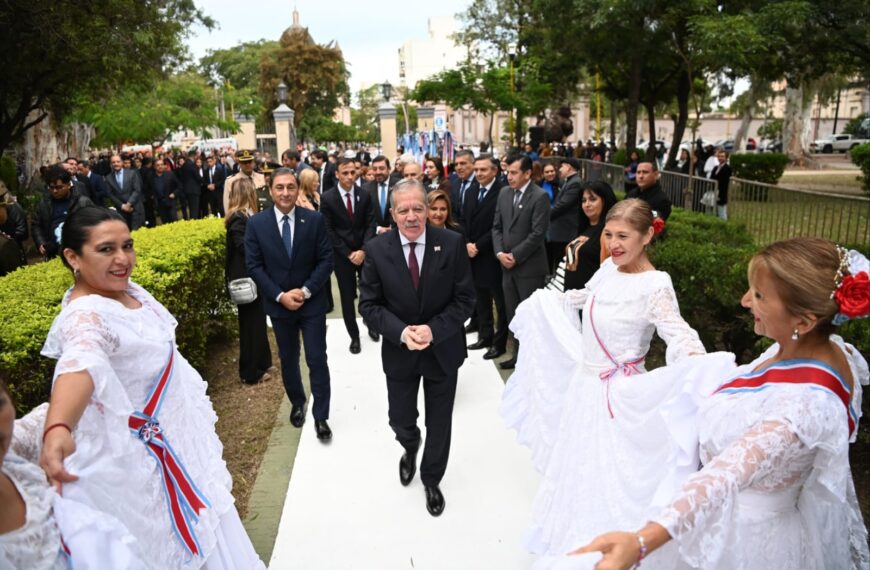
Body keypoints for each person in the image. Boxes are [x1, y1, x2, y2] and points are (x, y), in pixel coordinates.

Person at [575, 238, 870, 570]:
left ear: (804, 321)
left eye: (759, 295)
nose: (745, 301)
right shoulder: (807, 347)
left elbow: (724, 475)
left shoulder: (807, 406)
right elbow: (743, 387)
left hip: (748, 543)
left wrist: (642, 541)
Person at [501, 198, 734, 567]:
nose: (614, 243)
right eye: (609, 234)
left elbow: (677, 332)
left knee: (617, 474)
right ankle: (577, 540)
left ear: (647, 237)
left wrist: (696, 364)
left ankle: (618, 547)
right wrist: (550, 303)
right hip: (584, 388)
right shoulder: (609, 267)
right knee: (580, 468)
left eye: (624, 235)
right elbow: (591, 298)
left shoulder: (656, 284)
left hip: (620, 396)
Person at [36, 207, 265, 569]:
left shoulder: (128, 291)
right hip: (148, 467)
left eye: (127, 245)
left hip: (181, 445)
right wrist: (59, 426)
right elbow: (81, 362)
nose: (123, 259)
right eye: (106, 249)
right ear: (72, 257)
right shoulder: (84, 317)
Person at [358, 179, 476, 517]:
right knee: (401, 419)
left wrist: (432, 330)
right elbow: (369, 305)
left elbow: (465, 300)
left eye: (418, 208)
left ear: (428, 210)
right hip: (399, 353)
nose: (412, 216)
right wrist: (401, 332)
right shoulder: (377, 250)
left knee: (440, 422)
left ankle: (431, 478)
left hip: (442, 350)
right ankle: (410, 446)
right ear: (393, 214)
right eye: (404, 210)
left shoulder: (451, 244)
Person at [245, 168, 335, 441]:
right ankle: (297, 402)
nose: (285, 193)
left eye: (291, 187)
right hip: (279, 305)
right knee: (289, 358)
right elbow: (254, 266)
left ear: (298, 189)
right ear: (270, 190)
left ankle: (321, 416)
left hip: (312, 303)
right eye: (280, 188)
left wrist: (306, 291)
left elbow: (326, 260)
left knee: (317, 358)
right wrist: (280, 296)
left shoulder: (315, 219)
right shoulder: (256, 224)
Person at [492, 154, 551, 370]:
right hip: (506, 266)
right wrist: (500, 254)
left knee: (530, 316)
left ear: (527, 174)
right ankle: (517, 355)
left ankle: (533, 360)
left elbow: (537, 234)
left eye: (514, 172)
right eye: (508, 172)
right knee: (513, 313)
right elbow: (496, 227)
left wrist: (515, 256)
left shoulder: (540, 196)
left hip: (529, 268)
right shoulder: (504, 194)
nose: (509, 176)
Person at [320, 157, 377, 353]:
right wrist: (348, 253)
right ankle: (354, 336)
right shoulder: (327, 198)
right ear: (337, 174)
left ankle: (371, 324)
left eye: (353, 172)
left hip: (364, 253)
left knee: (369, 292)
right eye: (345, 173)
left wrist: (363, 250)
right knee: (346, 297)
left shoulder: (365, 194)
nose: (349, 176)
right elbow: (328, 230)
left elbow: (371, 223)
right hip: (342, 257)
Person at [225, 179, 274, 385]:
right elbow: (244, 247)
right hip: (246, 280)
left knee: (258, 322)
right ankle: (250, 372)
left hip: (253, 277)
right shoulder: (238, 218)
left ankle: (263, 362)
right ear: (248, 193)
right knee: (250, 325)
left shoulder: (246, 216)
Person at [462, 154, 508, 360]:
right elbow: (464, 220)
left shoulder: (502, 193)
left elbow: (498, 227)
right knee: (480, 298)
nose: (479, 173)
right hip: (472, 254)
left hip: (491, 254)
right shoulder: (471, 191)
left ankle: (499, 343)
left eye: (484, 170)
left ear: (495, 171)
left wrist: (477, 246)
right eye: (477, 169)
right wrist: (466, 243)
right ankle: (485, 335)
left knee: (499, 302)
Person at [561, 180, 619, 291]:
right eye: (584, 200)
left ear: (605, 201)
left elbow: (610, 270)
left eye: (592, 199)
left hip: (591, 298)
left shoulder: (608, 232)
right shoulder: (584, 228)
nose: (587, 204)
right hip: (570, 297)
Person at [34, 164, 95, 260]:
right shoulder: (44, 204)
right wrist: (41, 242)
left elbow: (94, 225)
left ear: (68, 185)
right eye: (51, 187)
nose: (55, 191)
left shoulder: (82, 202)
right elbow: (37, 225)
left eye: (59, 187)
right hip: (53, 254)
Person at [548, 158, 582, 276]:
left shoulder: (575, 183)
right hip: (560, 231)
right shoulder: (569, 181)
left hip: (565, 232)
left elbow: (563, 205)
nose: (560, 170)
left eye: (561, 167)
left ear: (568, 167)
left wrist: (545, 215)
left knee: (561, 266)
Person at [104, 154, 145, 229]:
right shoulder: (108, 178)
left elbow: (137, 190)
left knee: (137, 233)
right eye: (113, 162)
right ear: (111, 164)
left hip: (135, 208)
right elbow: (110, 194)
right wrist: (122, 206)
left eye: (118, 161)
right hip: (121, 211)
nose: (116, 164)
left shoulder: (132, 173)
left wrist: (128, 204)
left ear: (122, 163)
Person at [223, 150, 266, 214]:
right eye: (244, 162)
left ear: (253, 162)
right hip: (242, 218)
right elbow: (227, 204)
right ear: (239, 163)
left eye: (249, 162)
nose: (247, 164)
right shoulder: (231, 181)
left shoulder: (263, 178)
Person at [366, 156, 393, 236]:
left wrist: (393, 228)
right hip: (375, 236)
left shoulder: (399, 185)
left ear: (389, 169)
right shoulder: (366, 188)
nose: (378, 172)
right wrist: (378, 228)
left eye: (381, 168)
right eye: (374, 169)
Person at [710, 148, 731, 221]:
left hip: (722, 193)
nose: (720, 158)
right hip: (714, 191)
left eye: (722, 156)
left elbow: (724, 182)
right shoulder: (716, 167)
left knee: (722, 212)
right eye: (719, 156)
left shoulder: (727, 168)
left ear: (726, 158)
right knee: (713, 210)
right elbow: (711, 177)